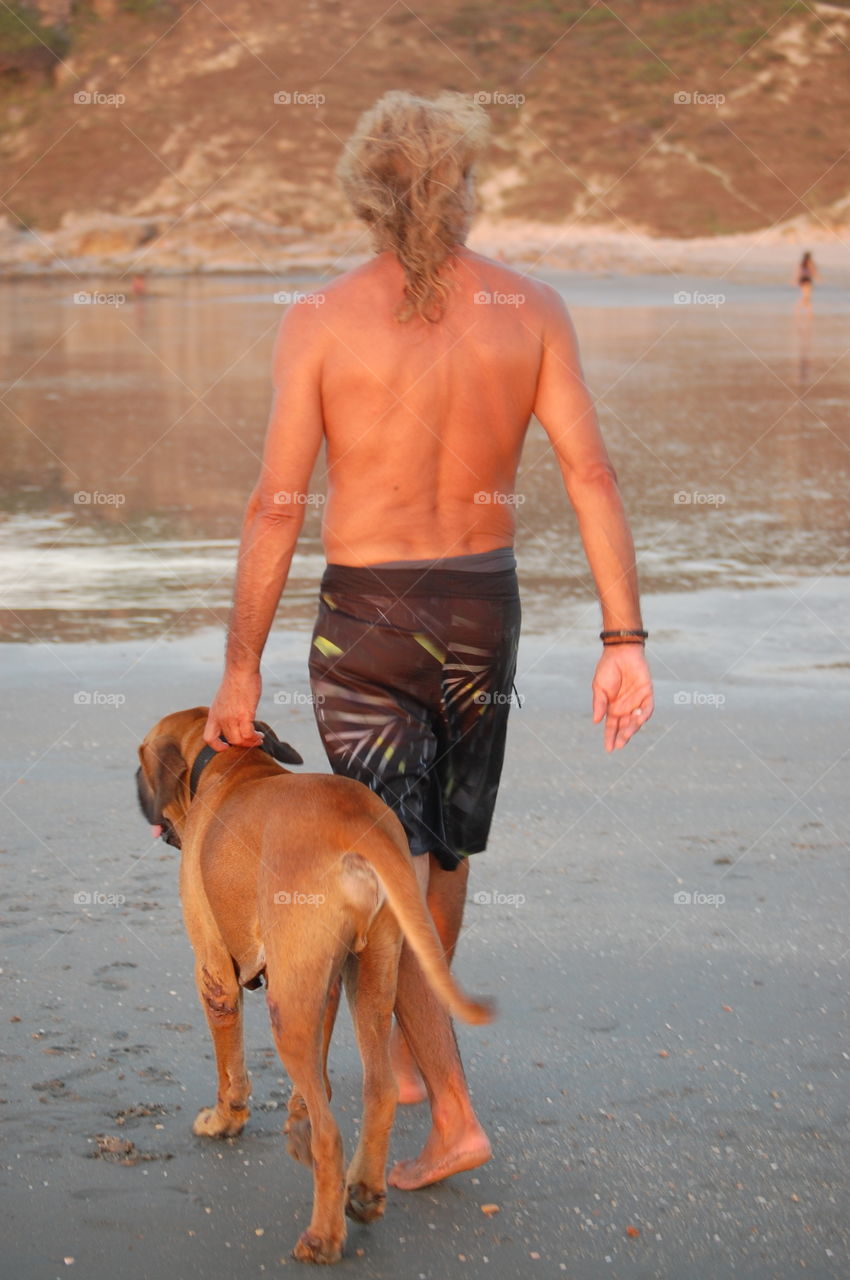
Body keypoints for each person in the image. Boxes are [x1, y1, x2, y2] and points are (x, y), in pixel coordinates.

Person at [205, 90, 654, 1190]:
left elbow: (276, 505)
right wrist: (622, 636)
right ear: (465, 185)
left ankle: (451, 1112)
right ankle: (410, 1052)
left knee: (386, 855)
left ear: (365, 192)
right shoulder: (532, 306)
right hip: (480, 608)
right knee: (441, 850)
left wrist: (239, 664)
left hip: (366, 621)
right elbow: (590, 475)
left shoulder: (317, 318)